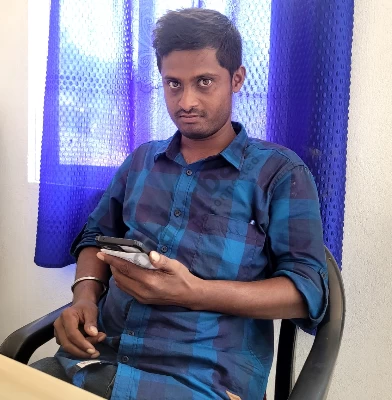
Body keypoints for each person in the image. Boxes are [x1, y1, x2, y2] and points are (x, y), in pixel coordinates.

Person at [32, 8, 328, 400]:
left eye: (204, 82)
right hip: (96, 359)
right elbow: (96, 236)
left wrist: (193, 292)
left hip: (201, 381)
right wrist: (83, 298)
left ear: (237, 79)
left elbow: (308, 291)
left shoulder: (280, 173)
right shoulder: (142, 162)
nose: (186, 101)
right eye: (174, 84)